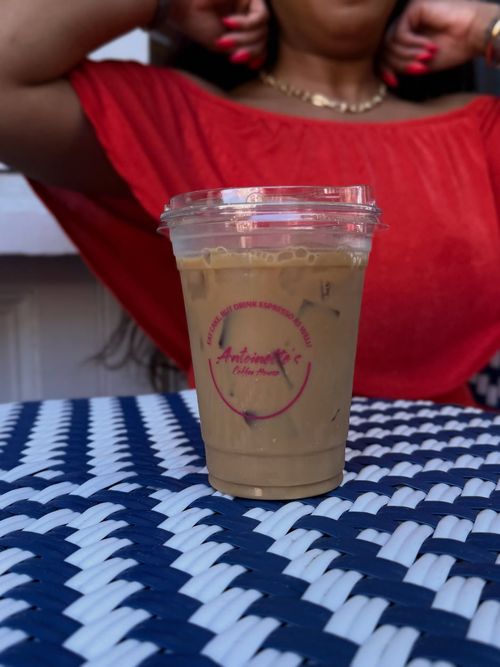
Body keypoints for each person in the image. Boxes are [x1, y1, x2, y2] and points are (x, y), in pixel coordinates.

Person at [0, 0, 499, 407]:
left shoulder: (478, 132)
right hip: (250, 488)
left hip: (456, 482)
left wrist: (488, 28)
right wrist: (164, 6)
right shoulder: (179, 124)